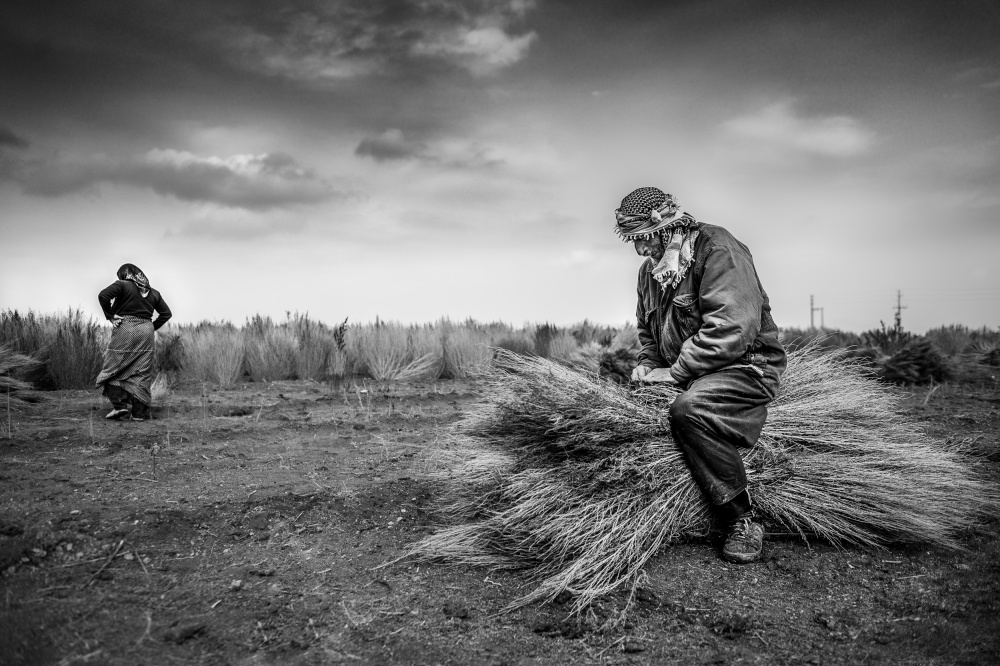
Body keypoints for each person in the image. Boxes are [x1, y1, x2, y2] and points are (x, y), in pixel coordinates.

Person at [614, 187, 786, 564]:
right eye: (633, 242)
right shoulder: (650, 273)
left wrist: (673, 373)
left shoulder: (717, 249)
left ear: (664, 227)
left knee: (687, 410)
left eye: (642, 238)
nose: (640, 251)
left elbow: (732, 329)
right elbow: (648, 332)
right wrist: (646, 365)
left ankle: (742, 519)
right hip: (693, 371)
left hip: (742, 366)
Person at [95, 264, 172, 421]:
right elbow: (166, 313)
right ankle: (139, 414)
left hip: (125, 329)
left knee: (114, 367)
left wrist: (110, 315)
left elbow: (103, 296)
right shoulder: (154, 292)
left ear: (125, 275)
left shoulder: (122, 285)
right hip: (146, 332)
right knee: (142, 373)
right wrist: (150, 328)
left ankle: (120, 406)